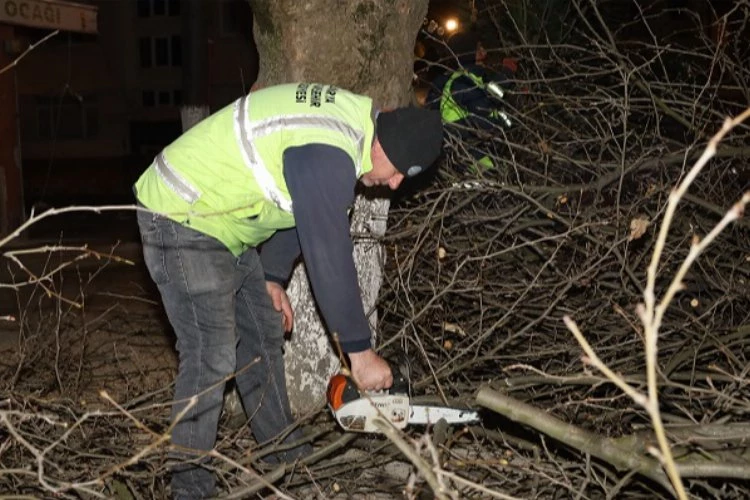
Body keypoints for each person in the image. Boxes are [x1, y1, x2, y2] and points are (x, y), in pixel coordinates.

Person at [133, 82, 443, 499]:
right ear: (387, 148)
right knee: (212, 351)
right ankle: (190, 488)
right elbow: (328, 252)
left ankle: (285, 461)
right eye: (399, 173)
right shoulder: (330, 152)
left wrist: (273, 277)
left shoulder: (347, 136)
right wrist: (360, 352)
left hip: (222, 224)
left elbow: (304, 214)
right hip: (183, 212)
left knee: (262, 333)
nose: (392, 185)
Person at [426, 30, 515, 170]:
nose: (484, 52)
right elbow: (485, 108)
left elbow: (493, 109)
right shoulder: (463, 81)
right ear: (469, 54)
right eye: (479, 48)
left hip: (477, 154)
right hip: (471, 159)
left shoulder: (475, 79)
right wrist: (507, 74)